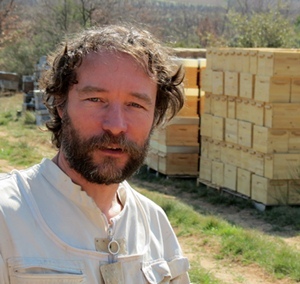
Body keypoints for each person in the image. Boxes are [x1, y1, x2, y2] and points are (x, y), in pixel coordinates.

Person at [0, 24, 190, 283]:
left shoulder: (154, 223)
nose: (115, 125)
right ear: (60, 104)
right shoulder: (7, 218)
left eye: (135, 105)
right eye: (96, 99)